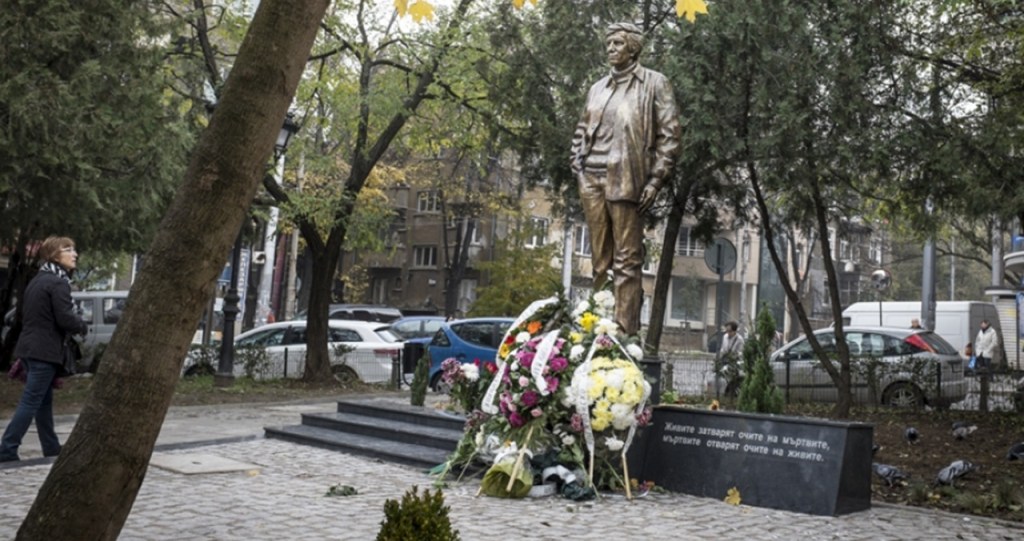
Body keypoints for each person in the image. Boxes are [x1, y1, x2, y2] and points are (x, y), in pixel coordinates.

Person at [570, 22, 681, 336]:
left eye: (617, 43)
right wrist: (576, 164)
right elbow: (581, 129)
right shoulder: (597, 88)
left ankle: (622, 332)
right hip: (590, 177)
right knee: (599, 259)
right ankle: (595, 326)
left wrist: (655, 180)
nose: (611, 49)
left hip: (626, 178)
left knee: (627, 260)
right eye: (608, 44)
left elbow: (670, 136)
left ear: (633, 47)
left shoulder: (655, 84)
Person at [0, 236, 87, 462]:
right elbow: (65, 318)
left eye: (74, 249)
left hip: (29, 349)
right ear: (54, 255)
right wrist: (81, 325)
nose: (74, 254)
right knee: (31, 401)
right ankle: (7, 449)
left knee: (43, 402)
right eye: (68, 249)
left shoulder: (38, 280)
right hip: (44, 351)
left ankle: (51, 447)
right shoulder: (58, 283)